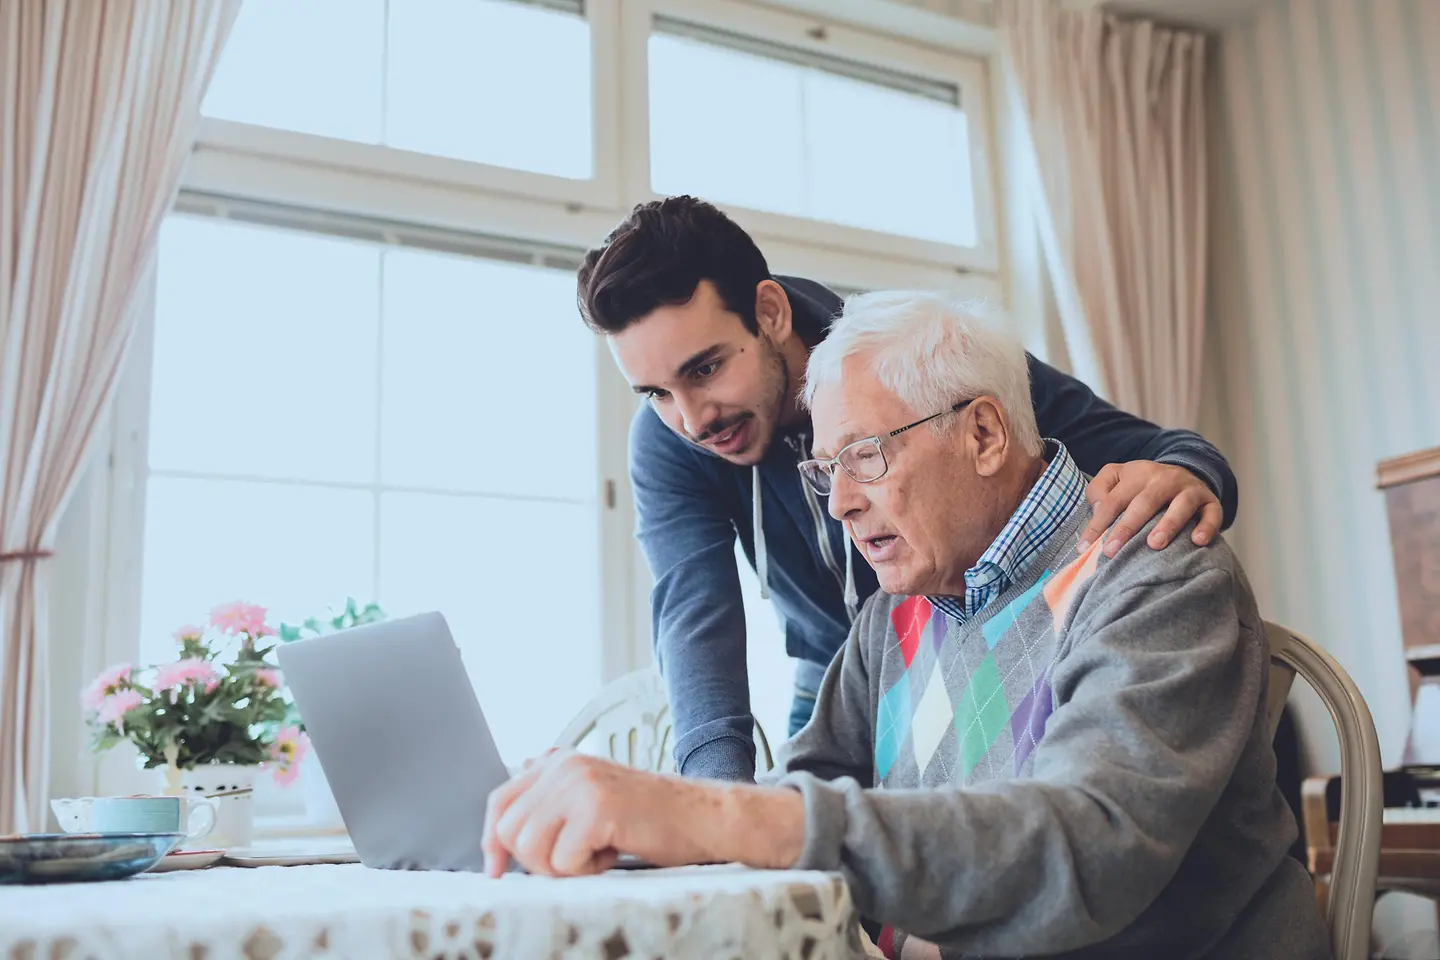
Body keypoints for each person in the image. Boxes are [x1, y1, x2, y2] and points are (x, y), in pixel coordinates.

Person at [482, 292, 1327, 960]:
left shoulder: (1154, 570)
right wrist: (653, 831)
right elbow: (805, 783)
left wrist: (714, 816)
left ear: (987, 432)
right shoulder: (897, 612)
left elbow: (1086, 848)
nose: (842, 504)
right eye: (826, 468)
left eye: (866, 456)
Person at [576, 195, 1239, 782]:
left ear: (770, 313)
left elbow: (1152, 450)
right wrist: (715, 801)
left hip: (970, 646)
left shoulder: (904, 362)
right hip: (840, 676)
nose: (692, 419)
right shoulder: (671, 441)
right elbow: (694, 615)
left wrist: (1190, 474)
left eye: (706, 368)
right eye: (657, 393)